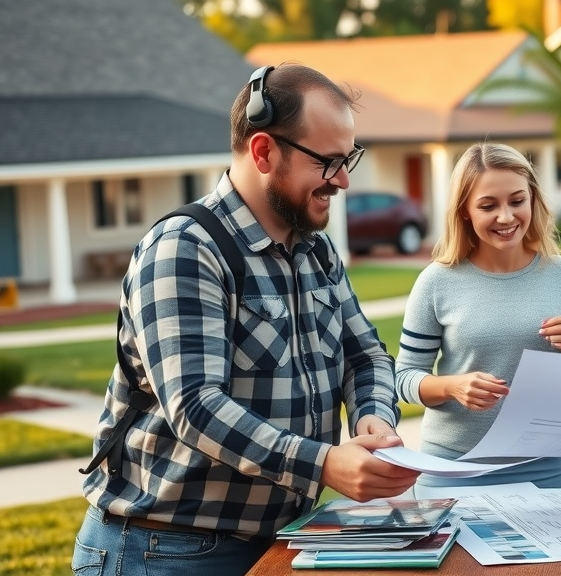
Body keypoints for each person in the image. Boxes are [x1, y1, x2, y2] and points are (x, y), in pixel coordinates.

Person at [73, 63, 420, 576]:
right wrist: (324, 463)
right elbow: (196, 405)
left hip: (281, 542)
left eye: (349, 159)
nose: (344, 180)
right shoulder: (186, 250)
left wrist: (374, 416)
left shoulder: (316, 251)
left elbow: (364, 354)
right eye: (329, 162)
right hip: (164, 552)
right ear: (263, 151)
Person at [395, 142, 561, 491]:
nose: (506, 217)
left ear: (533, 199)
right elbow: (404, 378)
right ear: (464, 211)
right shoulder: (436, 281)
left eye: (517, 201)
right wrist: (453, 386)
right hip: (451, 469)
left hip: (543, 468)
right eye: (488, 205)